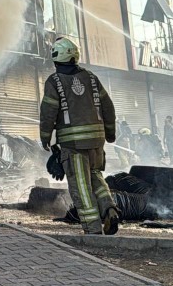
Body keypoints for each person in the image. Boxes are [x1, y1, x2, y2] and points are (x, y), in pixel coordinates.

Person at [39, 37, 120, 235]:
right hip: (96, 142)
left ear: (57, 59)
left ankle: (93, 228)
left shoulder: (54, 81)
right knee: (96, 177)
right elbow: (108, 106)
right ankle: (109, 209)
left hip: (73, 145)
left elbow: (48, 111)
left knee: (80, 185)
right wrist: (110, 133)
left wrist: (45, 138)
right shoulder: (91, 78)